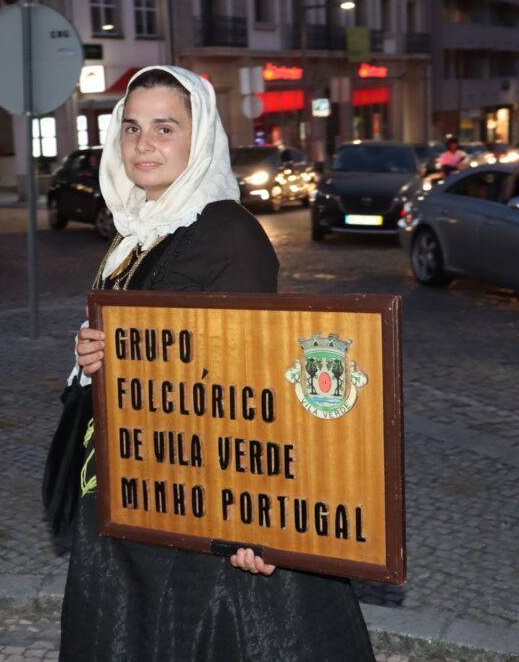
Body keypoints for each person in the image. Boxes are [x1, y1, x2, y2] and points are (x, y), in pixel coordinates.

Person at [53, 66, 375, 660]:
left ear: (199, 136)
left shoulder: (228, 234)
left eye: (165, 127)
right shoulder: (134, 230)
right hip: (134, 483)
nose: (143, 144)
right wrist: (92, 355)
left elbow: (254, 386)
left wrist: (259, 522)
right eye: (131, 128)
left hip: (202, 497)